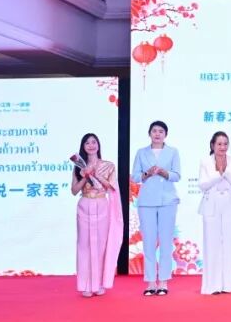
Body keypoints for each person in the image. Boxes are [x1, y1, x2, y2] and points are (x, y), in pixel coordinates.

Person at [131, 120, 181, 296]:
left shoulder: (173, 152)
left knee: (166, 242)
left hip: (168, 200)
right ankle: (151, 282)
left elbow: (177, 175)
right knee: (149, 242)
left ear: (165, 134)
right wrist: (147, 173)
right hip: (147, 201)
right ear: (149, 134)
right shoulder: (141, 152)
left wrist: (164, 173)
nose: (157, 134)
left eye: (161, 131)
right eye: (154, 131)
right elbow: (135, 176)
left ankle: (164, 281)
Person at [70, 133, 122, 298]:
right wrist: (85, 176)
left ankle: (98, 283)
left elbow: (111, 187)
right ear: (83, 147)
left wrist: (96, 175)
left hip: (101, 204)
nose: (91, 145)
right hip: (84, 204)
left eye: (94, 142)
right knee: (84, 245)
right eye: (87, 143)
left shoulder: (108, 165)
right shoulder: (79, 166)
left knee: (100, 245)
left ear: (98, 145)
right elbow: (74, 191)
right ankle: (85, 284)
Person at [198, 131, 231, 295]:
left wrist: (227, 172)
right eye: (219, 144)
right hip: (211, 205)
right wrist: (218, 174)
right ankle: (212, 285)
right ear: (213, 145)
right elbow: (202, 185)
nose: (222, 147)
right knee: (212, 244)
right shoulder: (205, 162)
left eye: (225, 144)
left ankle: (229, 284)